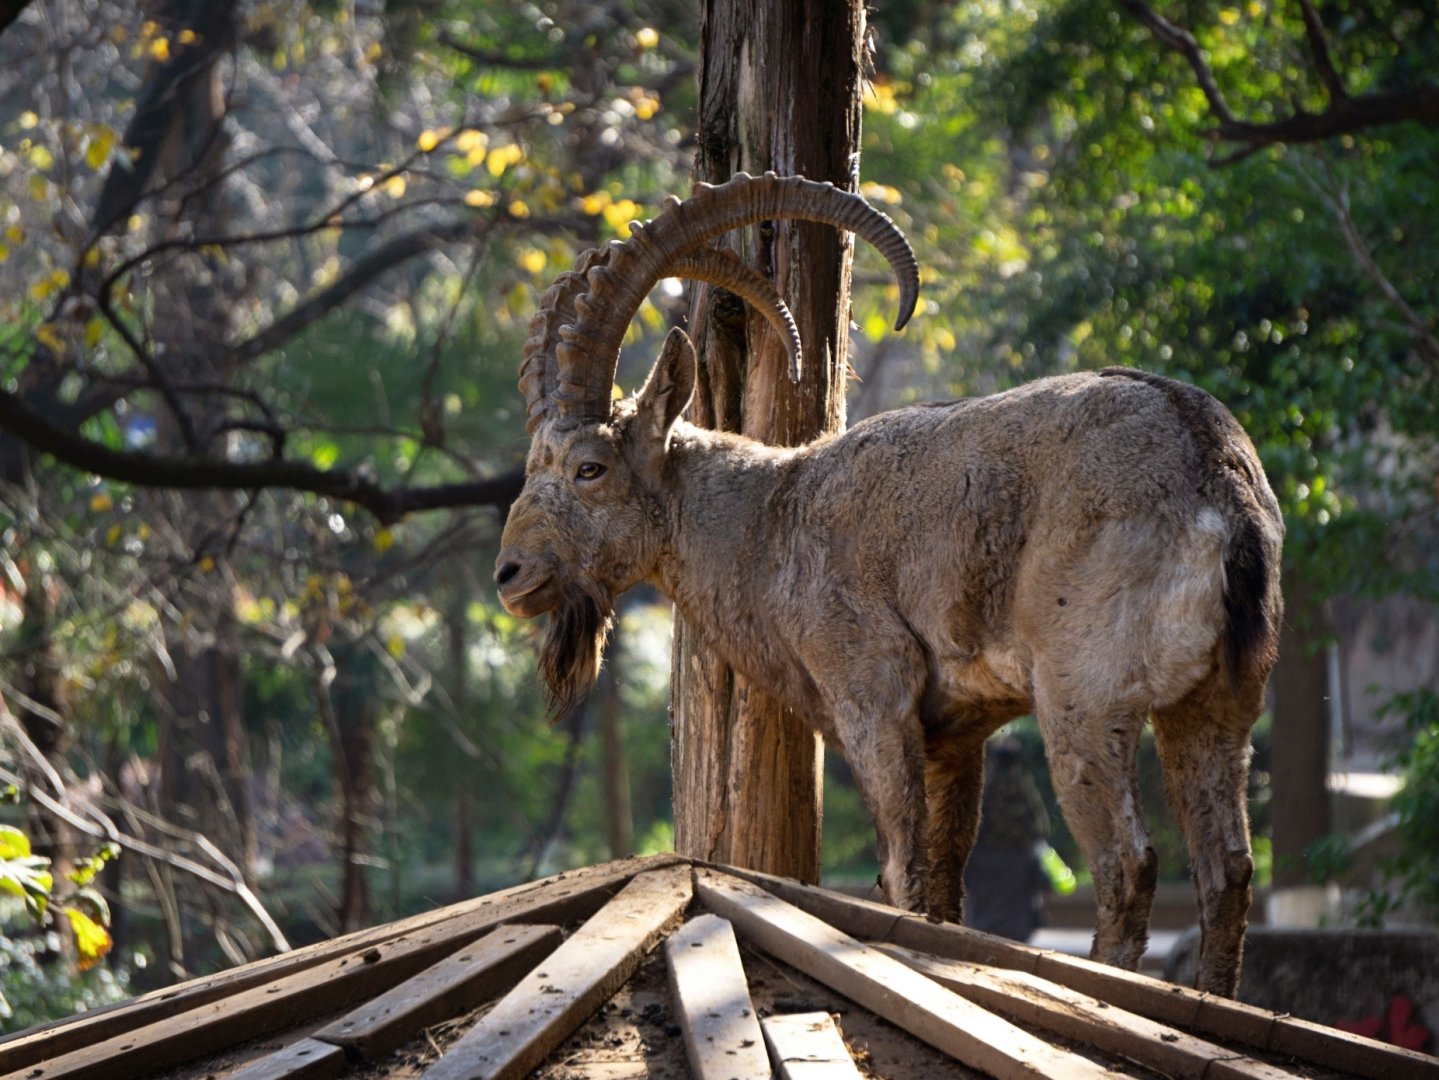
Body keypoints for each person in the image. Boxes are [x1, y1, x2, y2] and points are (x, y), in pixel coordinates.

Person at [962, 735, 1052, 942]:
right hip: (1019, 860)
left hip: (982, 860)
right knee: (1017, 918)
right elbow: (1040, 825)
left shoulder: (985, 785)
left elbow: (970, 821)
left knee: (981, 919)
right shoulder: (1023, 786)